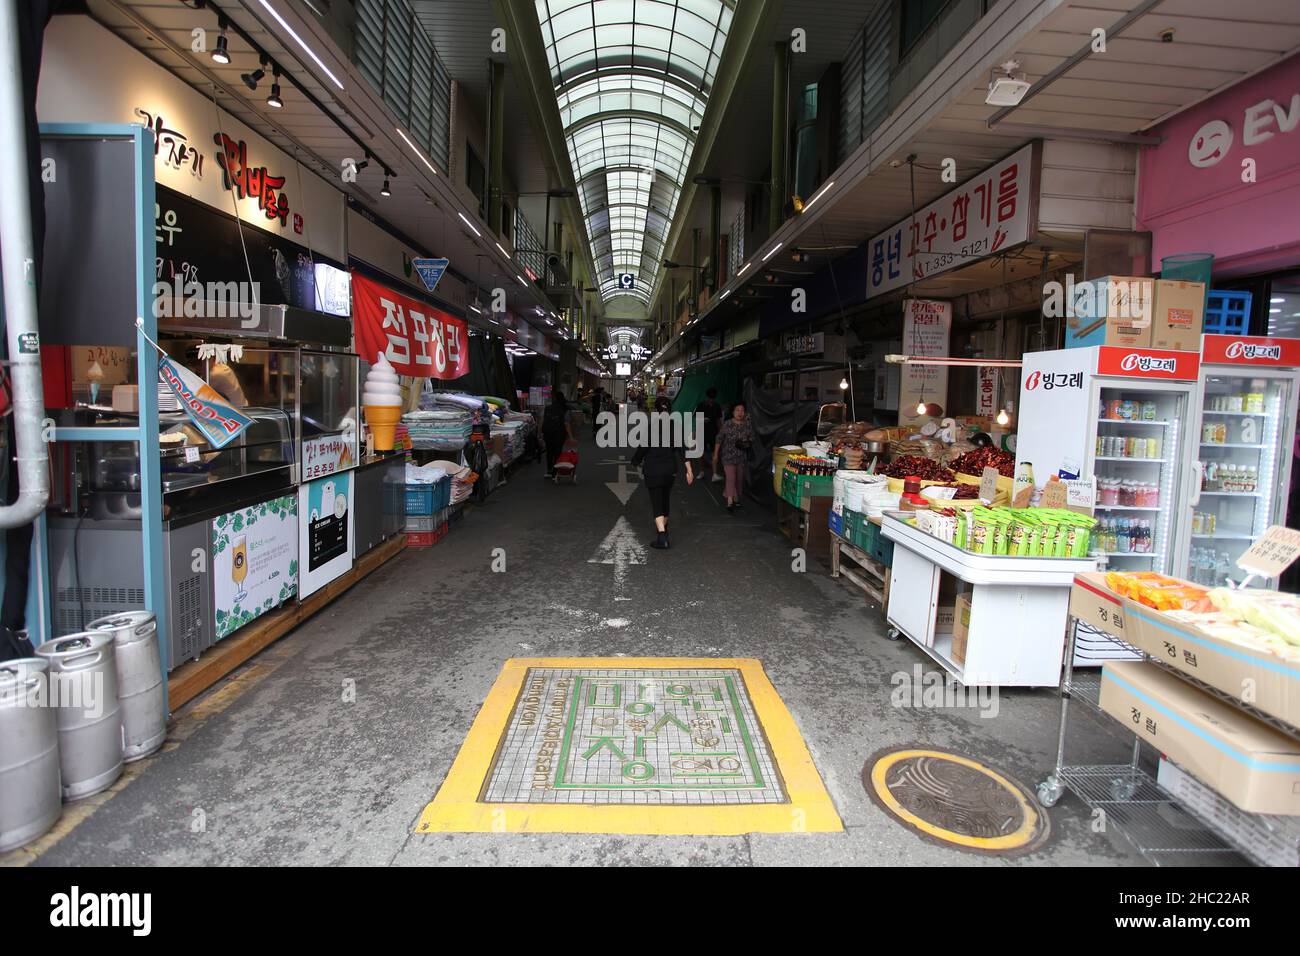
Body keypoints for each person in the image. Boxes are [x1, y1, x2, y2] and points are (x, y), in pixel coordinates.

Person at [631, 395, 694, 549]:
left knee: (657, 502)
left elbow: (643, 449)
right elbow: (682, 450)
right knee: (665, 500)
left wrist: (635, 461)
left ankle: (662, 537)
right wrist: (689, 470)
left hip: (653, 470)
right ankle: (664, 529)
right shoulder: (675, 427)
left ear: (656, 410)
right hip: (669, 470)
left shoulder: (652, 427)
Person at [713, 402, 756, 513]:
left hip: (741, 457)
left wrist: (747, 442)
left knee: (739, 479)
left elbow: (752, 438)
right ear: (733, 412)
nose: (740, 413)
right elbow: (719, 439)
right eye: (737, 410)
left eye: (742, 410)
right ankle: (730, 501)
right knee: (730, 478)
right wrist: (715, 454)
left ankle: (736, 497)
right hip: (728, 456)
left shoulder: (747, 425)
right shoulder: (727, 424)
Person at [542, 391, 573, 478]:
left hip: (548, 433)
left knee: (549, 451)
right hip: (559, 433)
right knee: (557, 452)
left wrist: (540, 432)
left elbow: (543, 420)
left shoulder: (548, 408)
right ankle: (555, 472)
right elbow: (567, 423)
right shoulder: (565, 408)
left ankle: (549, 470)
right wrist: (571, 437)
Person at [694, 387, 723, 481]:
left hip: (714, 432)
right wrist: (703, 419)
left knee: (715, 453)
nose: (711, 400)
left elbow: (719, 420)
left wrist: (721, 432)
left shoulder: (717, 406)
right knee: (701, 454)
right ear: (706, 397)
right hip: (701, 432)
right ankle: (702, 471)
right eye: (709, 398)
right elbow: (696, 419)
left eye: (712, 399)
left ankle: (714, 474)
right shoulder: (700, 405)